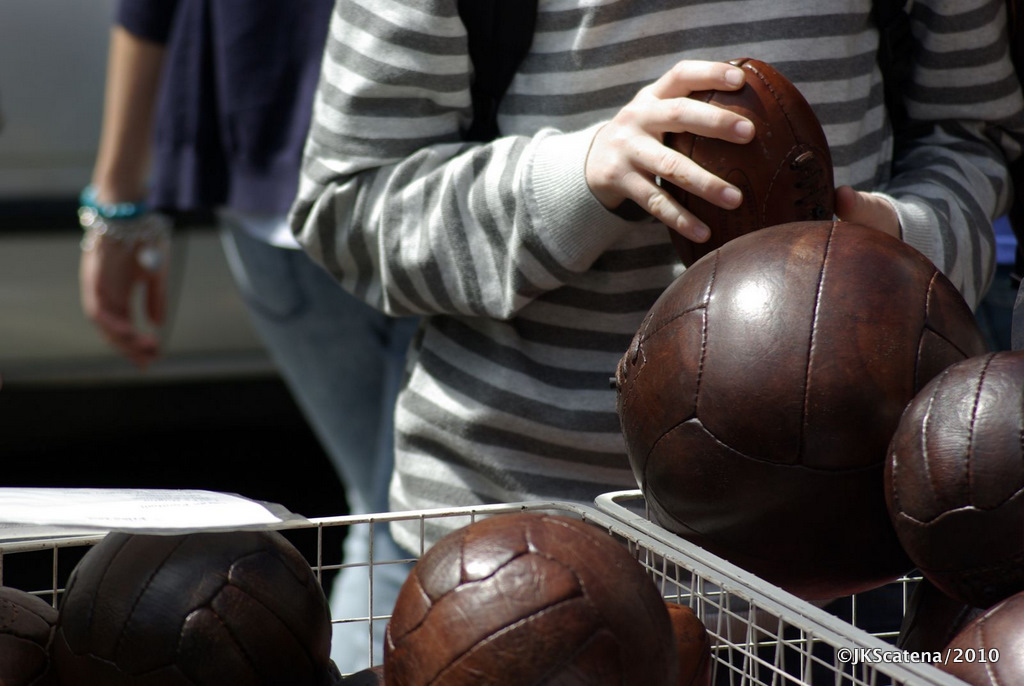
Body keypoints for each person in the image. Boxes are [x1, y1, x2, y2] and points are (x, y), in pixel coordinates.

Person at [291, 0, 1022, 595]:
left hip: (845, 557)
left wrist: (897, 247)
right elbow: (347, 205)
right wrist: (581, 177)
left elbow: (975, 134)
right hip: (518, 551)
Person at [78, 0, 418, 670]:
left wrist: (117, 203)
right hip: (435, 178)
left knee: (384, 514)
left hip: (281, 170)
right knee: (398, 522)